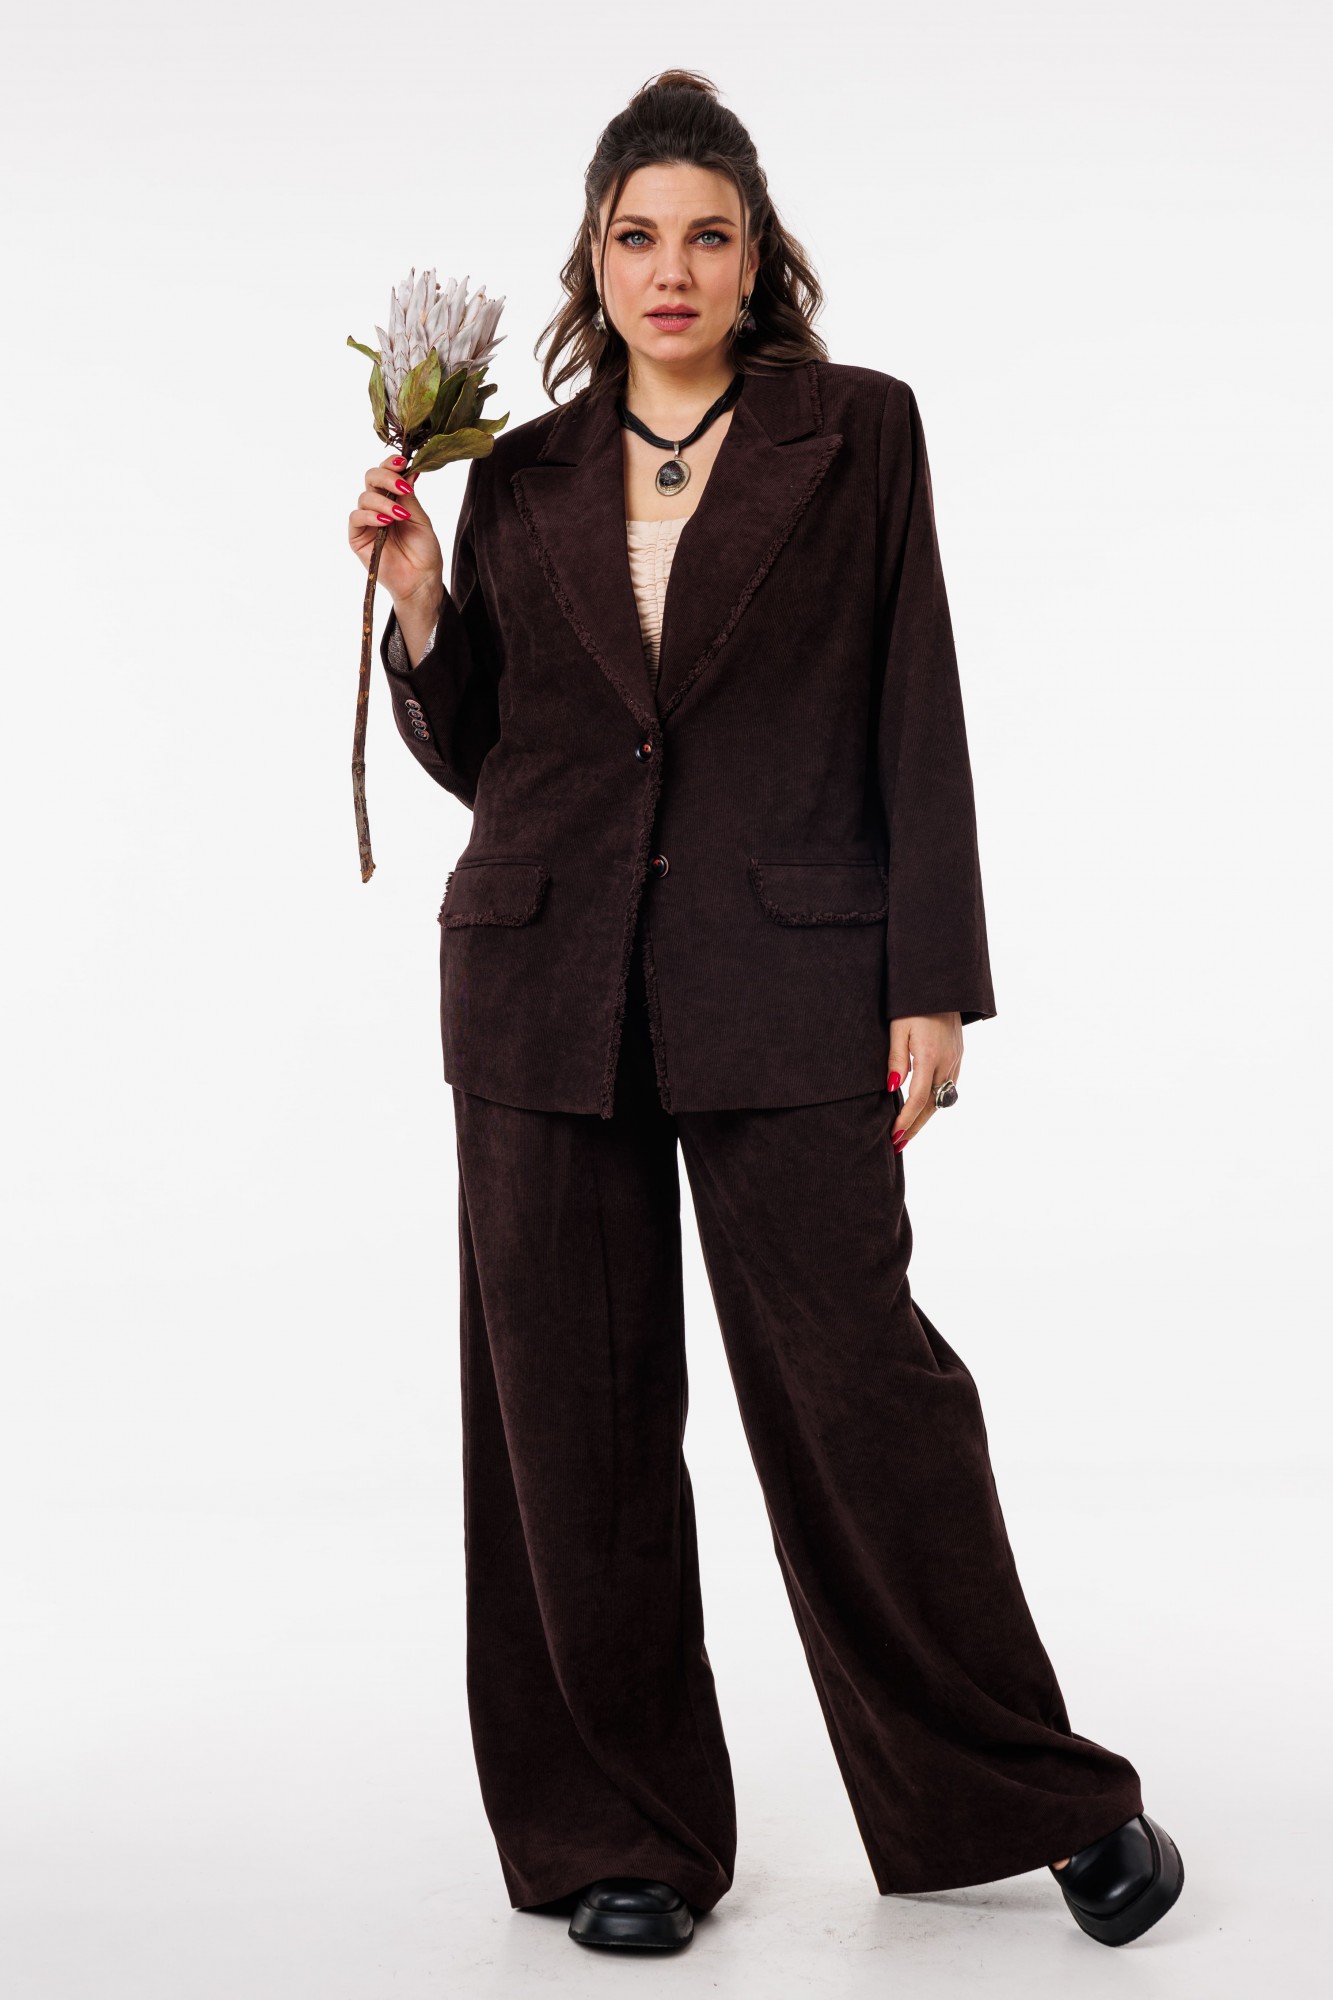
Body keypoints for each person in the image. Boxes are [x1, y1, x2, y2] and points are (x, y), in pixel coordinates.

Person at [347, 68, 1184, 1957]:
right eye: (636, 236)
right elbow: (499, 758)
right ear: (592, 260)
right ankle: (619, 1836)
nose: (671, 268)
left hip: (791, 974)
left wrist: (931, 983)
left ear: (756, 257)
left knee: (863, 1391)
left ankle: (1030, 1792)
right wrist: (420, 603)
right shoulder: (521, 474)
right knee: (567, 1423)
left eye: (706, 236)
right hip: (543, 985)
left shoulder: (856, 432)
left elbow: (916, 699)